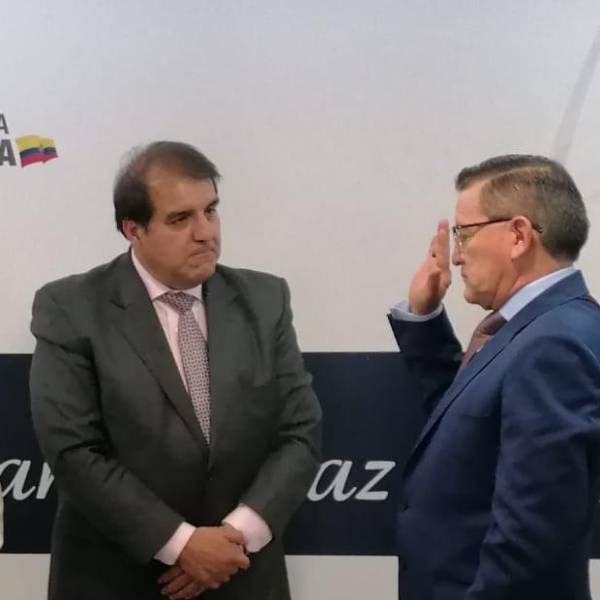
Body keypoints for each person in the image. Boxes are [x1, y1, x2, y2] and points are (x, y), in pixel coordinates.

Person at [29, 141, 321, 600]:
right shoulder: (71, 309)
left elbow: (300, 432)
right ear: (133, 229)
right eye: (180, 219)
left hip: (241, 574)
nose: (205, 233)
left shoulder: (266, 302)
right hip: (118, 579)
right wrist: (182, 545)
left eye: (211, 211)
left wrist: (234, 538)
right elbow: (73, 451)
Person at [389, 154, 600, 600]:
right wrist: (424, 319)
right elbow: (467, 425)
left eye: (464, 234)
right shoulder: (541, 328)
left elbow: (532, 534)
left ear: (518, 235)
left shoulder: (552, 343)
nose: (456, 255)